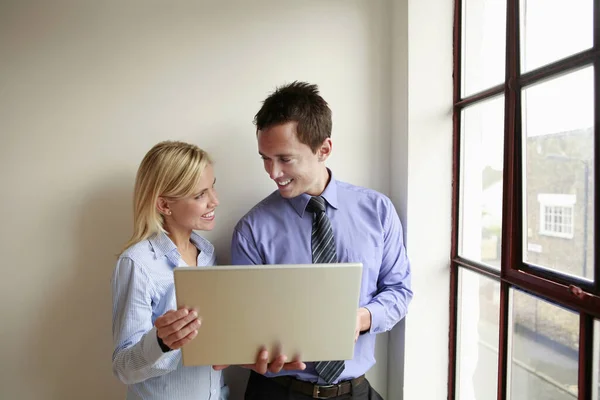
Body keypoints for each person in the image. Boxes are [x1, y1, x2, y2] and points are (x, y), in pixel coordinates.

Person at [231, 82, 413, 399]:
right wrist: (252, 350)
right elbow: (245, 321)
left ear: (324, 150)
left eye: (285, 158)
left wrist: (362, 318)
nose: (272, 172)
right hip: (277, 391)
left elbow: (400, 290)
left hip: (354, 390)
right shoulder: (252, 228)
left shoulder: (378, 211)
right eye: (265, 158)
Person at [111, 140, 227, 400]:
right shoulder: (137, 264)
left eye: (213, 188)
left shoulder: (208, 255)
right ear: (164, 205)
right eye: (200, 195)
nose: (215, 201)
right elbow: (122, 368)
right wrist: (161, 342)